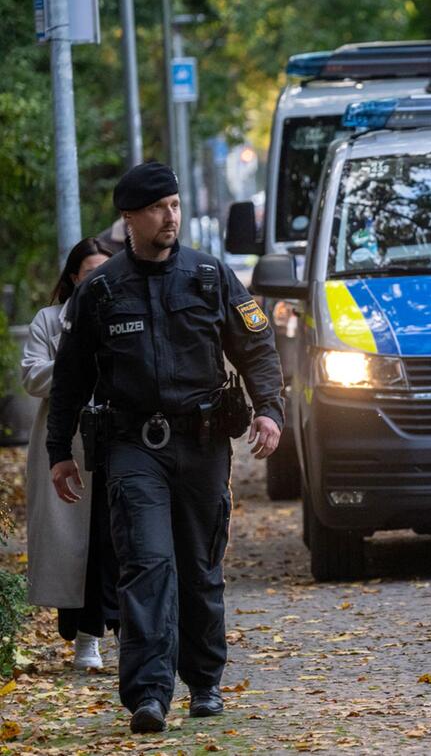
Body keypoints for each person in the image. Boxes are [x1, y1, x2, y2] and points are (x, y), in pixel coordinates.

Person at [46, 162, 284, 733]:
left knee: (200, 566)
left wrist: (270, 409)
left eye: (174, 205)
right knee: (146, 564)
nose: (170, 216)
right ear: (129, 217)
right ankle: (149, 695)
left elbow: (256, 347)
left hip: (202, 443)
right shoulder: (101, 291)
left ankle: (204, 682)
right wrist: (60, 451)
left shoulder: (210, 276)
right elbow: (70, 378)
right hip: (132, 446)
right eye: (157, 208)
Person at [21, 237, 118, 670]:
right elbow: (31, 376)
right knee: (76, 548)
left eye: (104, 272)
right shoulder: (48, 321)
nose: (94, 280)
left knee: (114, 542)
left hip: (119, 442)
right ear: (73, 277)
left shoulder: (124, 315)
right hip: (68, 444)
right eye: (88, 272)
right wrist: (75, 365)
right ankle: (85, 640)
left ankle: (132, 635)